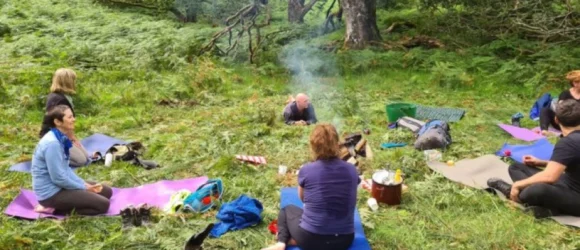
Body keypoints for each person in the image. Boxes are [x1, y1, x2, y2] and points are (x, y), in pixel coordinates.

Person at [262, 124, 358, 250]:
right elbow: (351, 198)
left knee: (287, 210)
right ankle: (294, 241)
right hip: (344, 240)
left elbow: (303, 199)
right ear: (337, 143)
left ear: (313, 146)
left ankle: (281, 243)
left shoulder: (307, 170)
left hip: (310, 239)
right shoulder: (351, 169)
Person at [487, 99, 580, 218]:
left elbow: (550, 177)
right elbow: (572, 162)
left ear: (556, 120)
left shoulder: (568, 142)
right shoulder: (572, 141)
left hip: (576, 196)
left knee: (538, 190)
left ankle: (513, 193)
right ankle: (550, 207)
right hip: (569, 183)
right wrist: (541, 162)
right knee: (516, 167)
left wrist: (518, 185)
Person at [32, 105, 111, 216]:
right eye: (69, 117)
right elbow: (58, 178)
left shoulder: (61, 137)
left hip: (61, 186)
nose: (73, 119)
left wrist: (83, 184)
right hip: (51, 194)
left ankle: (72, 200)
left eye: (73, 116)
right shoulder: (52, 144)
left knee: (106, 191)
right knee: (103, 205)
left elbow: (66, 169)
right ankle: (53, 209)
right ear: (58, 122)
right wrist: (84, 187)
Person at [44, 68, 92, 167]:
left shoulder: (63, 96)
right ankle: (51, 156)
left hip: (63, 135)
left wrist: (73, 138)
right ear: (67, 82)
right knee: (81, 161)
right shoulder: (58, 100)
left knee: (87, 156)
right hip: (56, 138)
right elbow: (61, 123)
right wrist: (71, 138)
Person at [538, 70, 580, 136]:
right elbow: (560, 108)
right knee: (545, 110)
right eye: (577, 82)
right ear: (573, 83)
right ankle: (544, 131)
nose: (578, 84)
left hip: (578, 123)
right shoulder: (565, 94)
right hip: (564, 122)